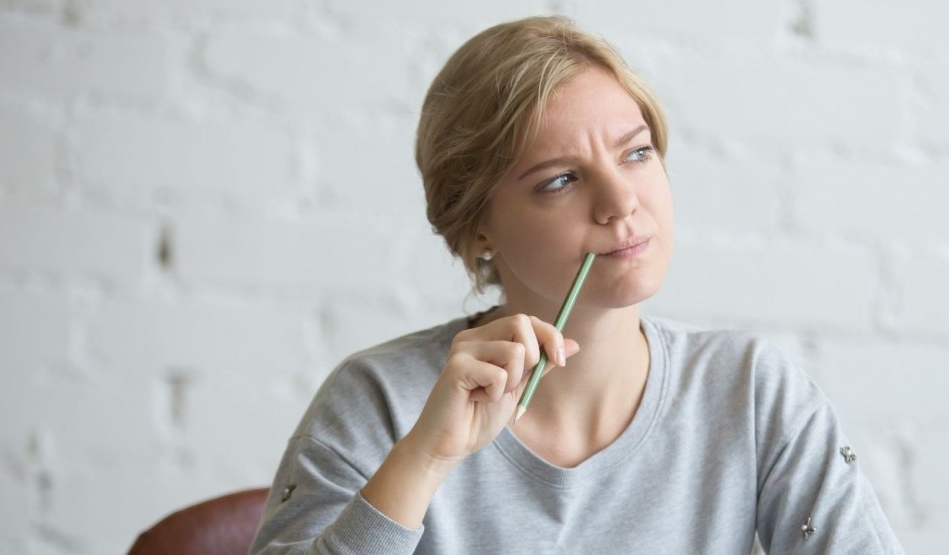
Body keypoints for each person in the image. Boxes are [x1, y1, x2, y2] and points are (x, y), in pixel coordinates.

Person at [249, 15, 904, 554]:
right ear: (478, 226)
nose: (622, 201)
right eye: (560, 179)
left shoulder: (753, 391)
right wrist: (423, 458)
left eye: (637, 152)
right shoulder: (379, 401)